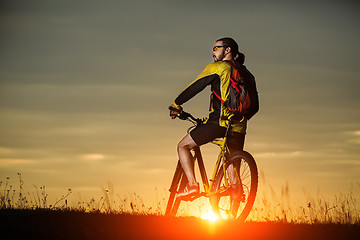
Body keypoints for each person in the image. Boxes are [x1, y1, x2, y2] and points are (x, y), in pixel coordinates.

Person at [169, 37, 258, 198]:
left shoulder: (219, 67)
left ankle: (192, 186)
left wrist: (176, 104)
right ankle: (235, 208)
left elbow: (195, 86)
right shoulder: (248, 74)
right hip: (239, 126)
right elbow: (255, 106)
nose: (212, 52)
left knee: (183, 146)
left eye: (216, 48)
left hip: (219, 122)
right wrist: (238, 119)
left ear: (228, 50)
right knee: (232, 167)